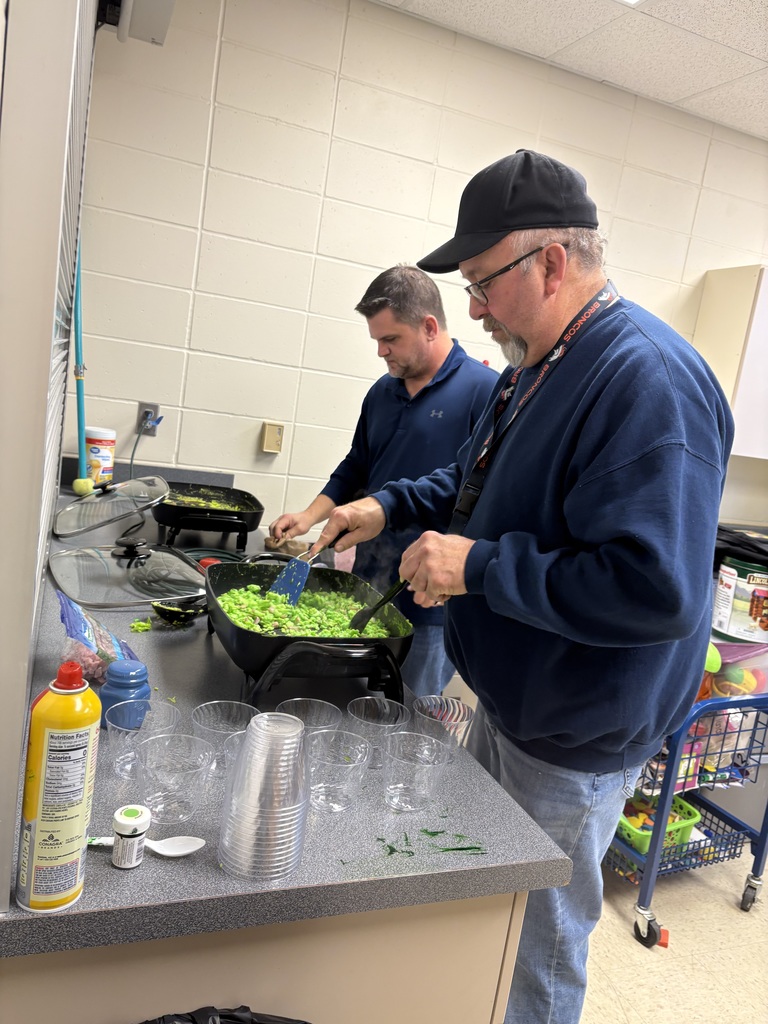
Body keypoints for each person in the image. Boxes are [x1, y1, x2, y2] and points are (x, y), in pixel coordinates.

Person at [308, 151, 734, 1023]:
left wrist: (479, 567)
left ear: (550, 262)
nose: (469, 309)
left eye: (480, 283)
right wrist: (381, 509)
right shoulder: (533, 366)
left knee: (535, 951)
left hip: (576, 730)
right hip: (510, 701)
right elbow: (469, 486)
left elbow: (657, 592)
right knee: (486, 919)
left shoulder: (646, 379)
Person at [269, 265, 498, 697]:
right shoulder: (382, 391)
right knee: (352, 703)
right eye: (377, 340)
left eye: (390, 340)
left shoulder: (484, 392)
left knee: (409, 712)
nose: (381, 352)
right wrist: (309, 516)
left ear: (429, 326)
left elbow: (482, 493)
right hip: (367, 583)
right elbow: (357, 467)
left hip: (430, 601)